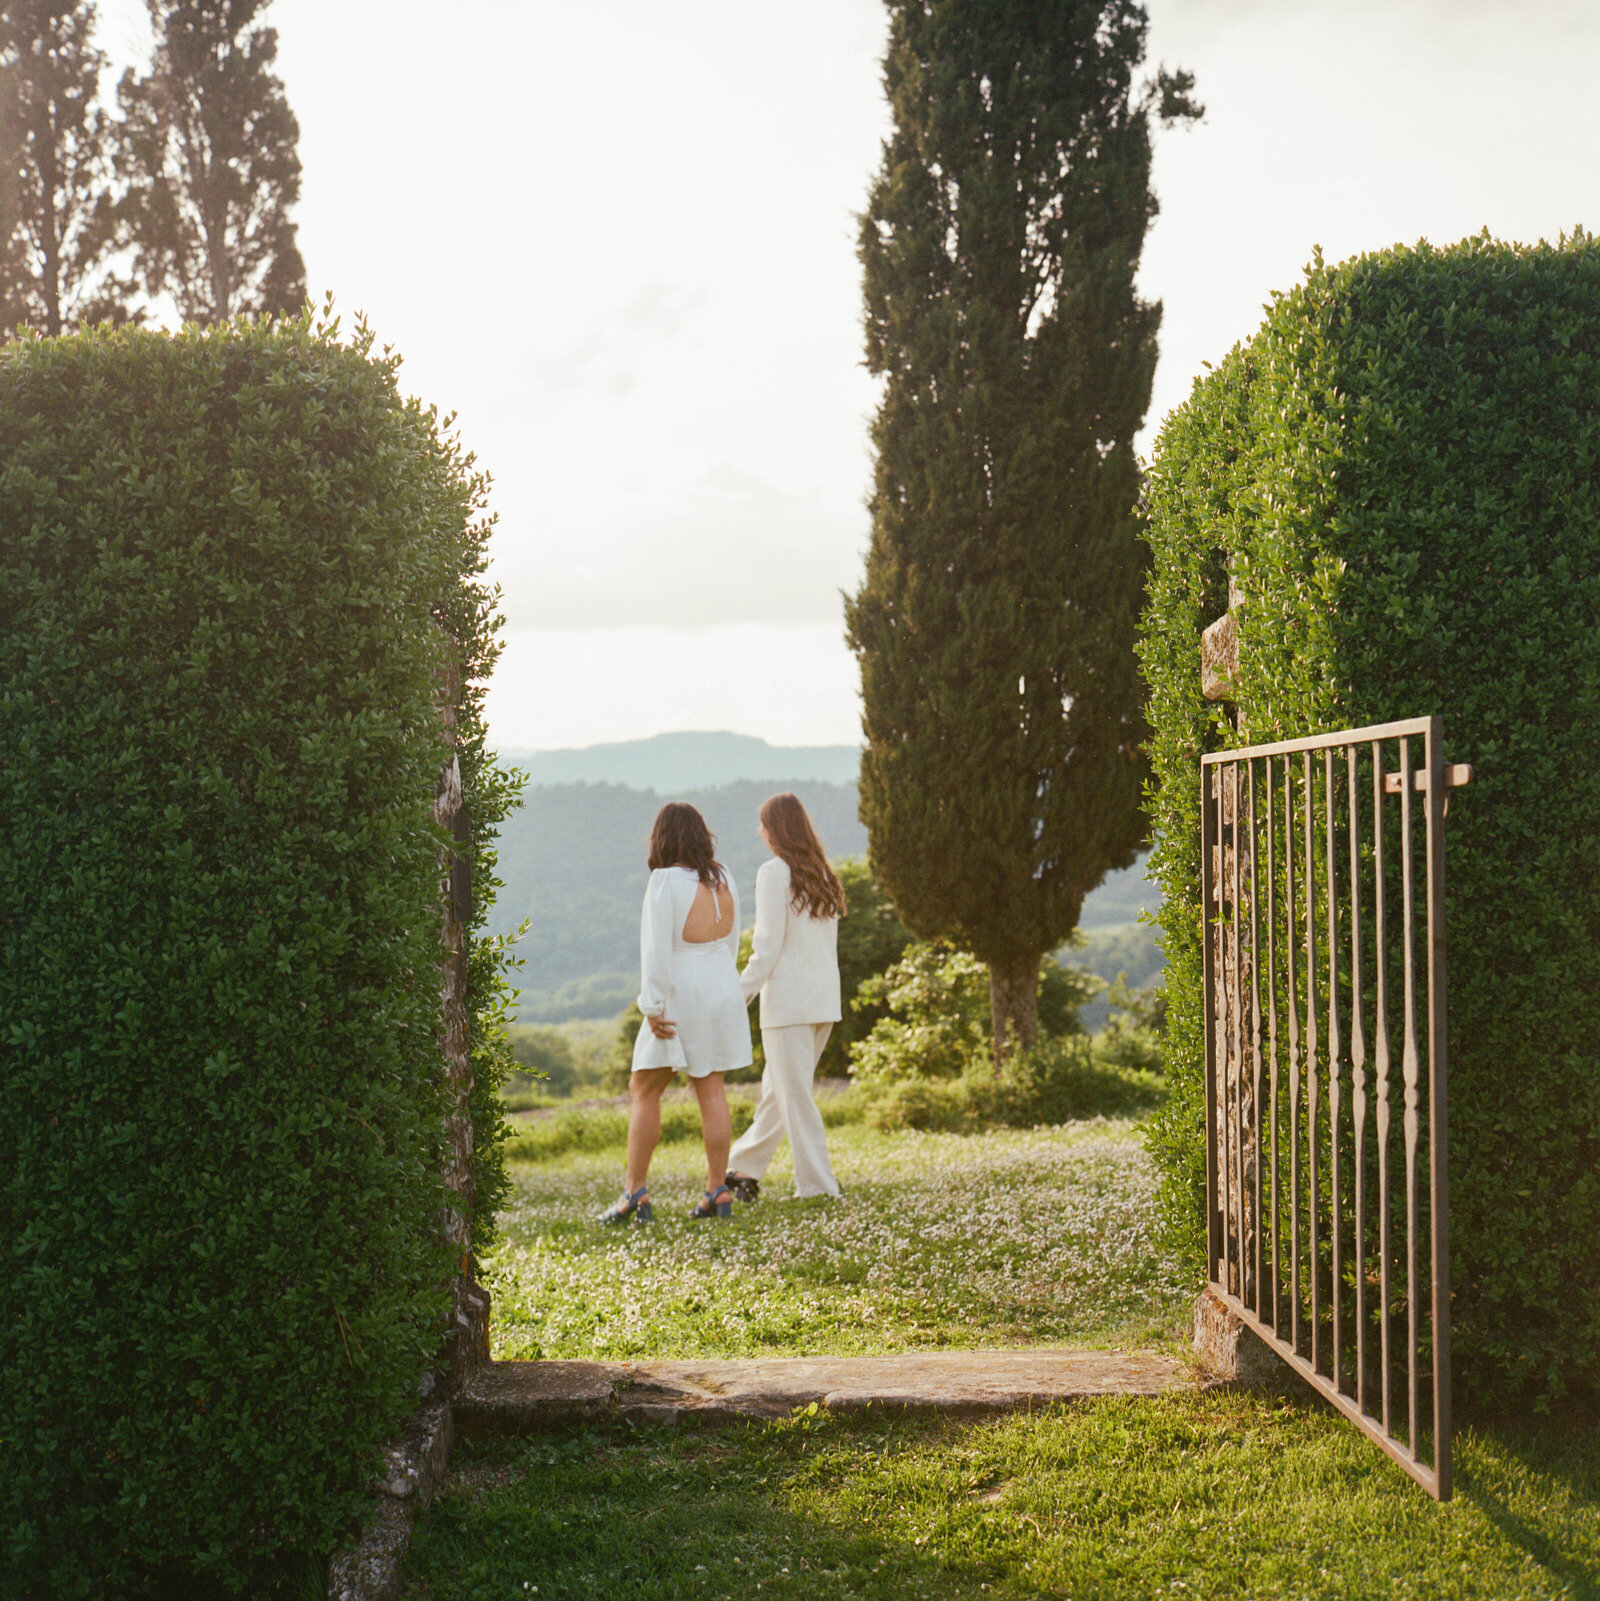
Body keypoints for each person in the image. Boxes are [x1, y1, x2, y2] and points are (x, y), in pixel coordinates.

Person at [599, 802, 752, 1224]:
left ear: (662, 838)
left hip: (680, 992)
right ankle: (717, 1189)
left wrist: (650, 1006)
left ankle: (634, 1191)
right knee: (711, 1087)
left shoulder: (664, 881)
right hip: (722, 985)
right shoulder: (724, 877)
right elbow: (732, 941)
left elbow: (655, 950)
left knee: (644, 1088)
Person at [724, 791, 845, 1202]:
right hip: (822, 1001)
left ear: (774, 830)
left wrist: (736, 996)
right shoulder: (822, 872)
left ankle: (818, 1187)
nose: (760, 833)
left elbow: (767, 946)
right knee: (779, 1093)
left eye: (763, 825)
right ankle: (742, 1169)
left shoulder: (774, 872)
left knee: (795, 1099)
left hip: (789, 1006)